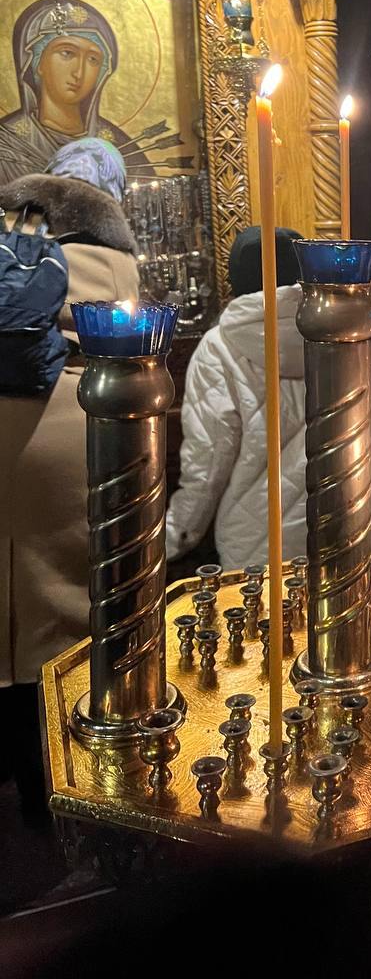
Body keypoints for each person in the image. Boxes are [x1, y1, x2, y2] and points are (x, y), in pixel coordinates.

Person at [0, 138, 139, 823]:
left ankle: (21, 798)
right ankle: (71, 799)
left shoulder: (10, 243)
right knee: (76, 614)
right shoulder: (115, 262)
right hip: (78, 423)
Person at [166, 227, 371, 570]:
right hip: (339, 530)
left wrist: (173, 539)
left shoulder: (218, 348)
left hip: (253, 549)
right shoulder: (335, 330)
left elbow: (208, 462)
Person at [0, 0, 153, 185]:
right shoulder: (7, 145)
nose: (79, 72)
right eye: (67, 53)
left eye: (93, 59)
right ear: (37, 63)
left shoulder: (120, 148)